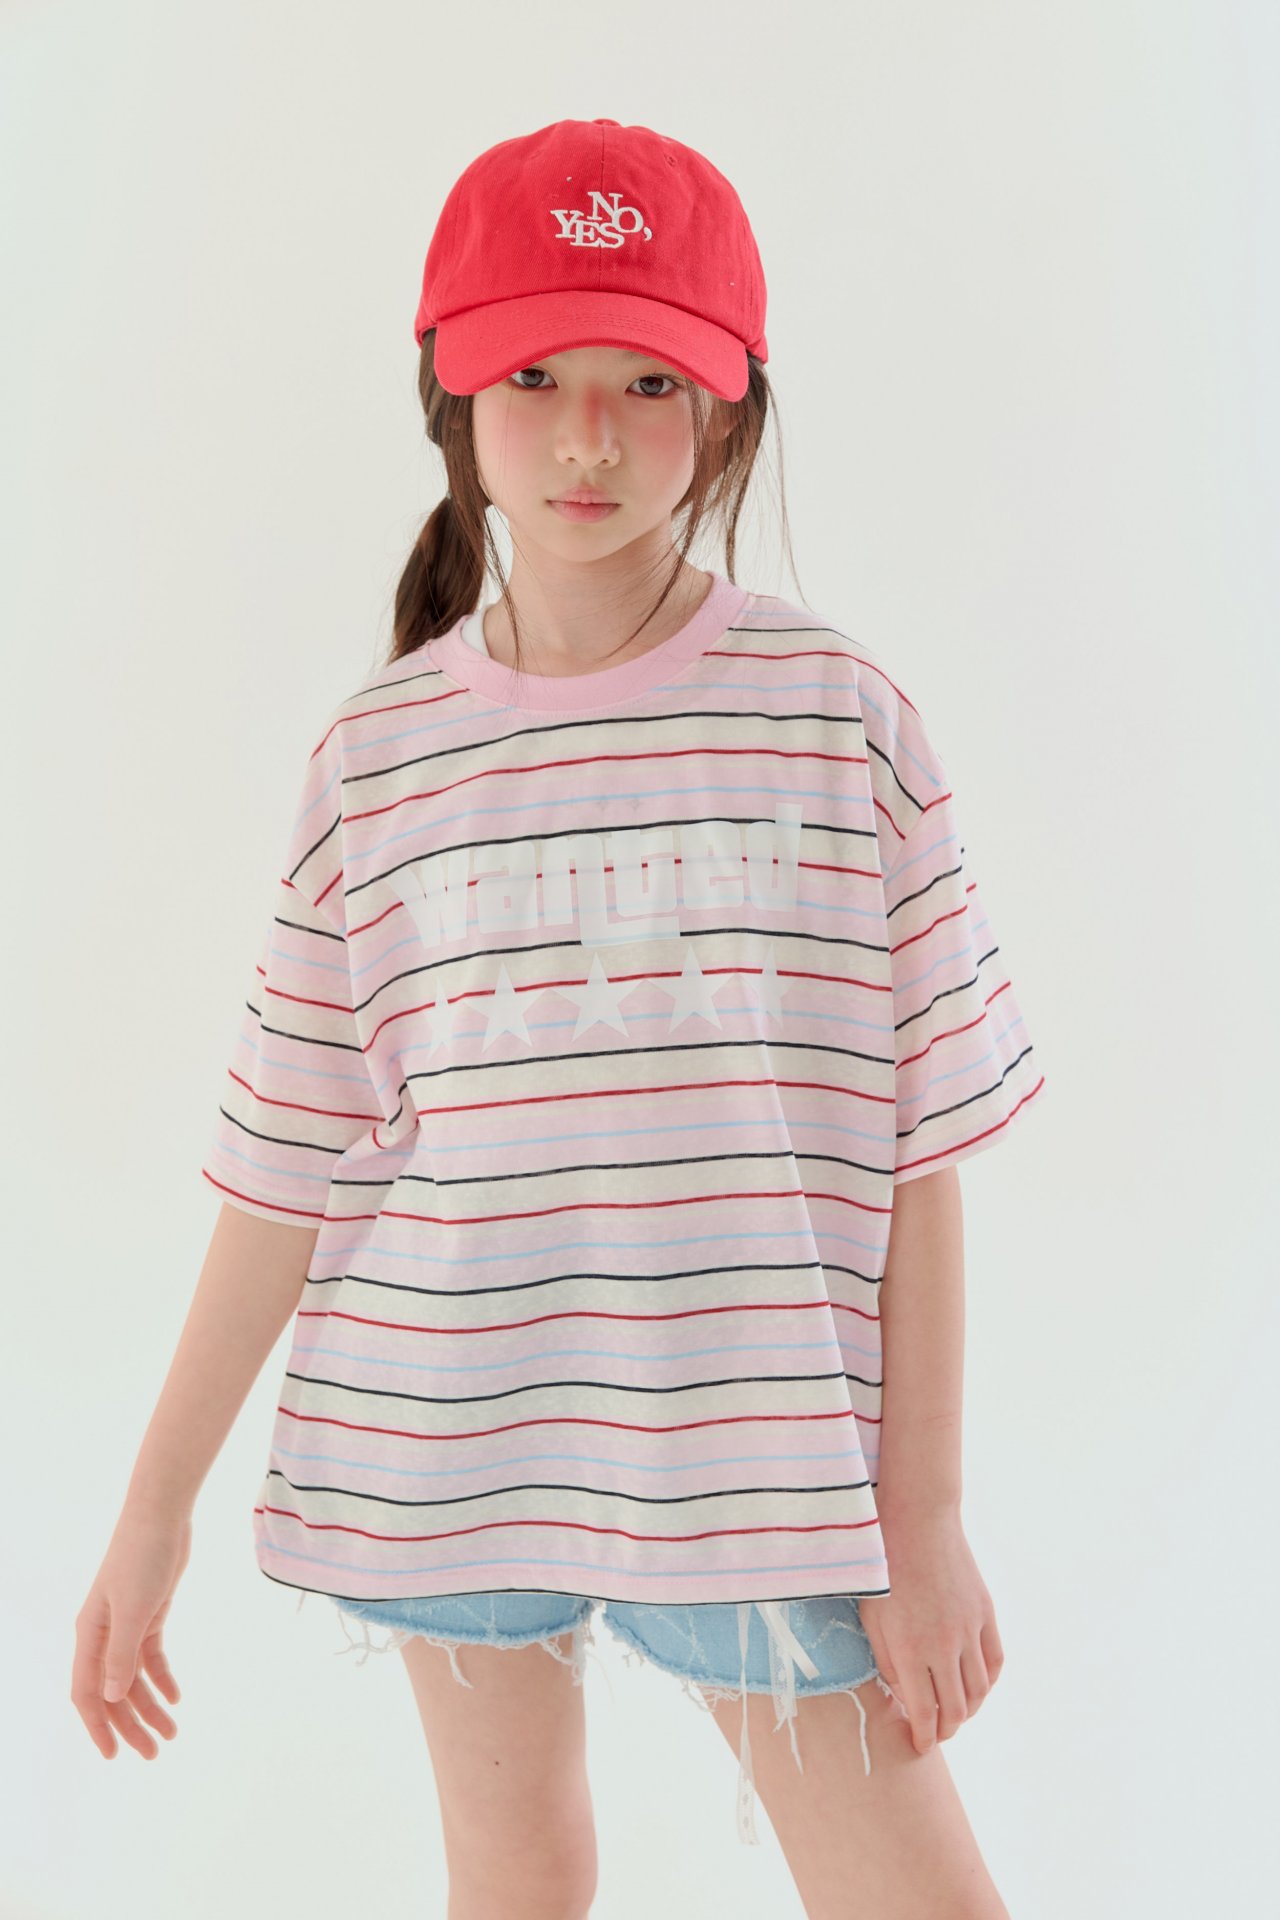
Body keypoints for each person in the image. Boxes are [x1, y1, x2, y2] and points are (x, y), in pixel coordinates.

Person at [73, 117, 1047, 1917]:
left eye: (646, 384)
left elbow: (922, 1151)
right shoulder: (376, 758)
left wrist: (922, 1520)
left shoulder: (838, 722)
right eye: (534, 377)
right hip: (451, 1434)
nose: (588, 437)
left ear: (727, 414)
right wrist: (153, 1509)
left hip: (767, 1462)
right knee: (515, 1880)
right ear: (453, 399)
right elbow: (285, 1168)